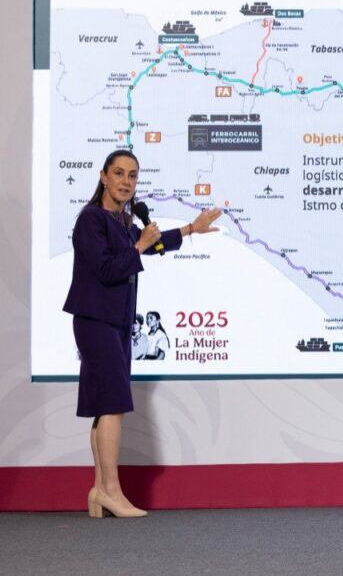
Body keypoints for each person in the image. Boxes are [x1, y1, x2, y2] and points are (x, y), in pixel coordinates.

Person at [62, 149, 221, 518]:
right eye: (118, 173)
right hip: (96, 320)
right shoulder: (91, 220)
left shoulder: (121, 220)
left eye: (132, 176)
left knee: (104, 406)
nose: (126, 181)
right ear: (103, 177)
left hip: (116, 322)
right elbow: (106, 269)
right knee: (112, 404)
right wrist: (140, 245)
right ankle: (111, 492)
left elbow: (154, 244)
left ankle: (100, 491)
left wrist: (190, 229)